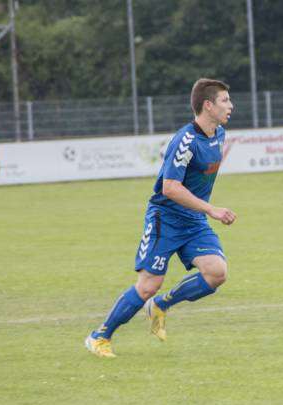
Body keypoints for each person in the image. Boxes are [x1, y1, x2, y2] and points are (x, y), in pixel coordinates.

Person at [85, 78, 236, 358]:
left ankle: (161, 305)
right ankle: (99, 336)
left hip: (193, 221)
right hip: (165, 219)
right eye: (225, 100)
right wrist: (211, 209)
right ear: (208, 105)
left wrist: (202, 211)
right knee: (148, 285)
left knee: (217, 273)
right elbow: (170, 188)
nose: (231, 105)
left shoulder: (219, 134)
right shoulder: (185, 141)